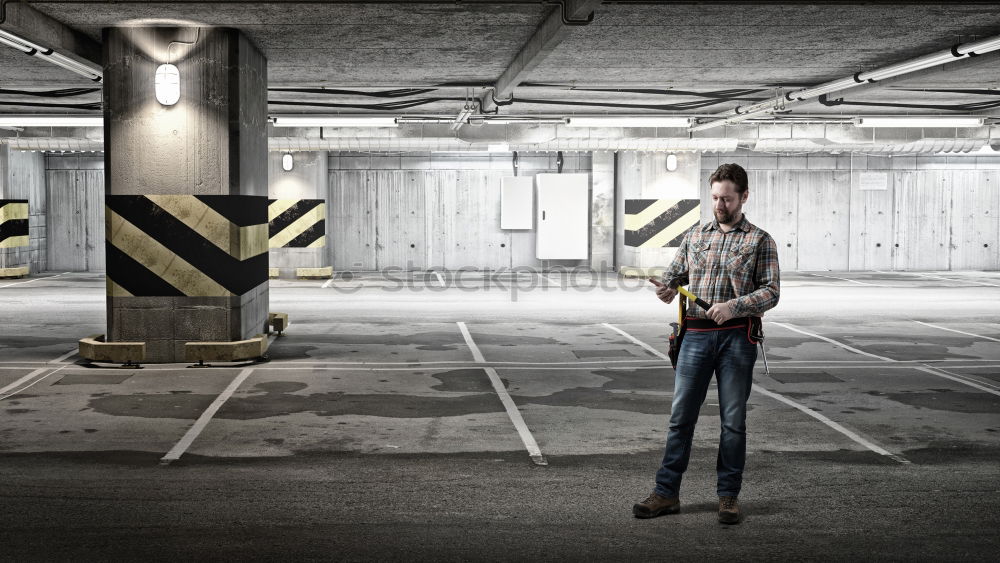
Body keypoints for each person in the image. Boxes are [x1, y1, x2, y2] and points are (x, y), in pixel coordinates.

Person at [633, 163, 780, 524]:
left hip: (737, 338)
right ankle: (666, 494)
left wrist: (734, 307)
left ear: (744, 197)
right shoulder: (696, 235)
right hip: (695, 337)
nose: (719, 204)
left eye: (727, 198)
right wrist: (666, 289)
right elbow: (675, 276)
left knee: (733, 422)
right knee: (680, 419)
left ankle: (728, 498)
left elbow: (771, 291)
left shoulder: (760, 240)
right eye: (714, 197)